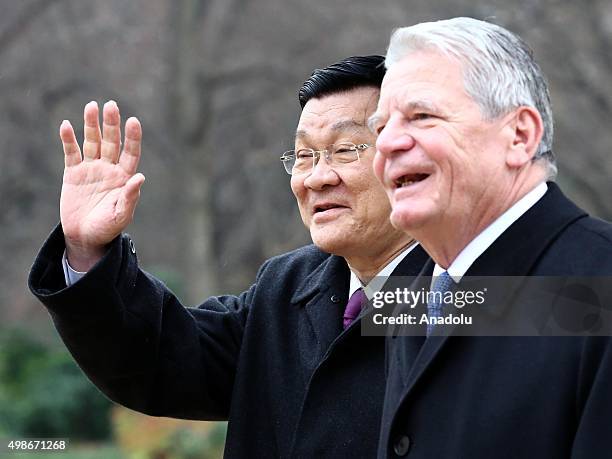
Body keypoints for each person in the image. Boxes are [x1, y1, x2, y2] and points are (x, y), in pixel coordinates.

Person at [28, 56, 429, 458]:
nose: (316, 177)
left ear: (403, 158)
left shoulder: (467, 294)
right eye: (304, 156)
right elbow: (157, 358)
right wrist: (86, 250)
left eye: (343, 150)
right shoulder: (285, 287)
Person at [369, 18, 612, 458]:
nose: (386, 144)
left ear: (520, 136)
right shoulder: (410, 294)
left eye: (421, 116)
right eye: (380, 127)